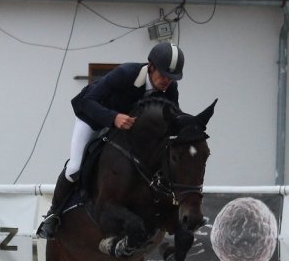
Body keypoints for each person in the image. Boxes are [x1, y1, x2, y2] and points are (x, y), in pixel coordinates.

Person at [36, 41, 185, 239]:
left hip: (125, 130)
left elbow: (173, 119)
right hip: (93, 119)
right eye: (164, 75)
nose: (167, 81)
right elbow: (87, 101)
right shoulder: (126, 73)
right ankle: (52, 215)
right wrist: (113, 117)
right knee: (75, 167)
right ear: (151, 66)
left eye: (171, 77)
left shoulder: (170, 89)